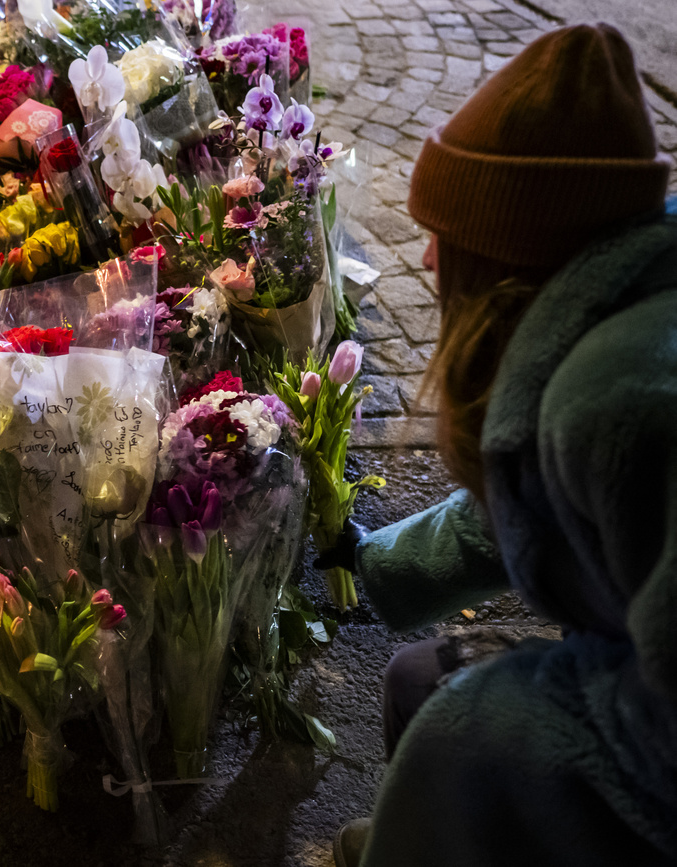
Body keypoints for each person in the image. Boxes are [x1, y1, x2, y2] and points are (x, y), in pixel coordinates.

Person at [325, 23, 677, 867]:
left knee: (456, 721)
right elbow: (531, 500)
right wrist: (375, 560)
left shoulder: (624, 403)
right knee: (421, 681)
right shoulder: (596, 315)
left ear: (508, 256)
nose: (426, 253)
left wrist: (494, 738)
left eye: (449, 235)